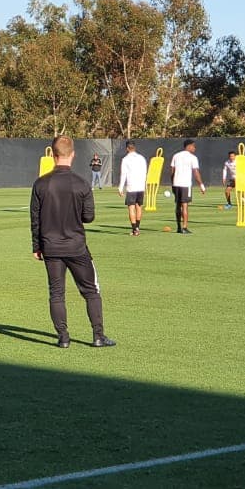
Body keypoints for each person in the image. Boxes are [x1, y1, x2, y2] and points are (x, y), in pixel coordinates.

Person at [30, 135, 114, 349]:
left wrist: (36, 246)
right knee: (91, 291)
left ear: (52, 154)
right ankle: (98, 335)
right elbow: (89, 217)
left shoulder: (40, 184)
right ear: (73, 154)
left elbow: (35, 219)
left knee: (56, 292)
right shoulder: (82, 184)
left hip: (50, 247)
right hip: (76, 246)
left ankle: (63, 337)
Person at [170, 139, 205, 234]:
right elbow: (196, 172)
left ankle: (178, 227)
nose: (195, 148)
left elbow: (172, 171)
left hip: (176, 183)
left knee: (178, 205)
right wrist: (201, 185)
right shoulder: (193, 158)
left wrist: (172, 184)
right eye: (194, 146)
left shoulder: (176, 155)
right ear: (188, 146)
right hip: (186, 184)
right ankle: (184, 227)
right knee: (185, 205)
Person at [117, 141, 148, 236]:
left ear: (127, 148)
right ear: (134, 147)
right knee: (139, 207)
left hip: (131, 187)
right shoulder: (142, 158)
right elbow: (145, 172)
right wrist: (145, 185)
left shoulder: (125, 159)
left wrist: (120, 187)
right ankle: (137, 227)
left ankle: (134, 230)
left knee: (131, 208)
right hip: (140, 186)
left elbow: (123, 174)